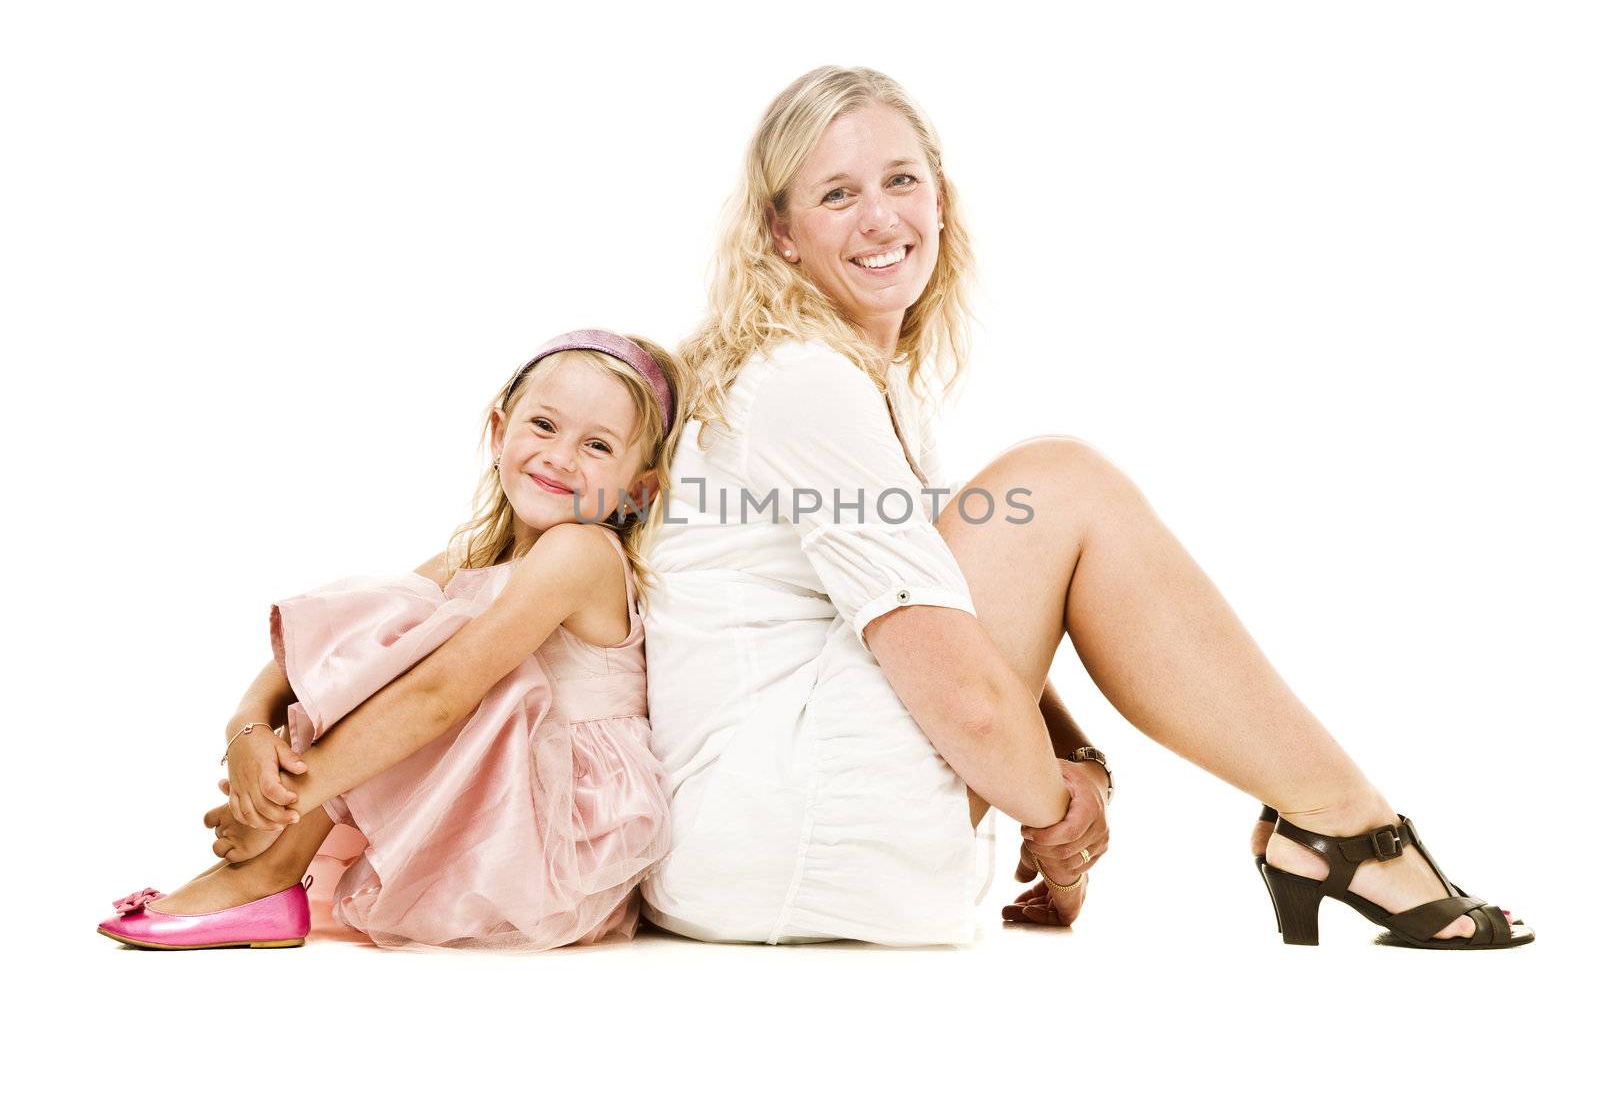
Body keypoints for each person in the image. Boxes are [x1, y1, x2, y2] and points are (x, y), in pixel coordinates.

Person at [638, 66, 1533, 950]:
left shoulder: (851, 380)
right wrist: (1059, 820)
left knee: (1036, 502)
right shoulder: (805, 383)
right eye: (837, 193)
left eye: (901, 180)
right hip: (785, 832)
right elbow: (967, 695)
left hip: (759, 843)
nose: (881, 218)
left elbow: (950, 612)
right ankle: (1349, 828)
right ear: (780, 232)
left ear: (940, 197)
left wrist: (1079, 763)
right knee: (1057, 486)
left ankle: (1336, 823)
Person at [97, 329, 686, 950]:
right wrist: (246, 730)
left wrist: (279, 804)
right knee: (385, 626)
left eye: (597, 445)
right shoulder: (476, 553)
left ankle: (268, 870)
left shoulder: (582, 551)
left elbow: (441, 692)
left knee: (468, 676)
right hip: (496, 803)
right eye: (543, 426)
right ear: (498, 433)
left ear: (638, 488)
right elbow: (347, 638)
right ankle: (265, 874)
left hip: (561, 833)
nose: (562, 458)